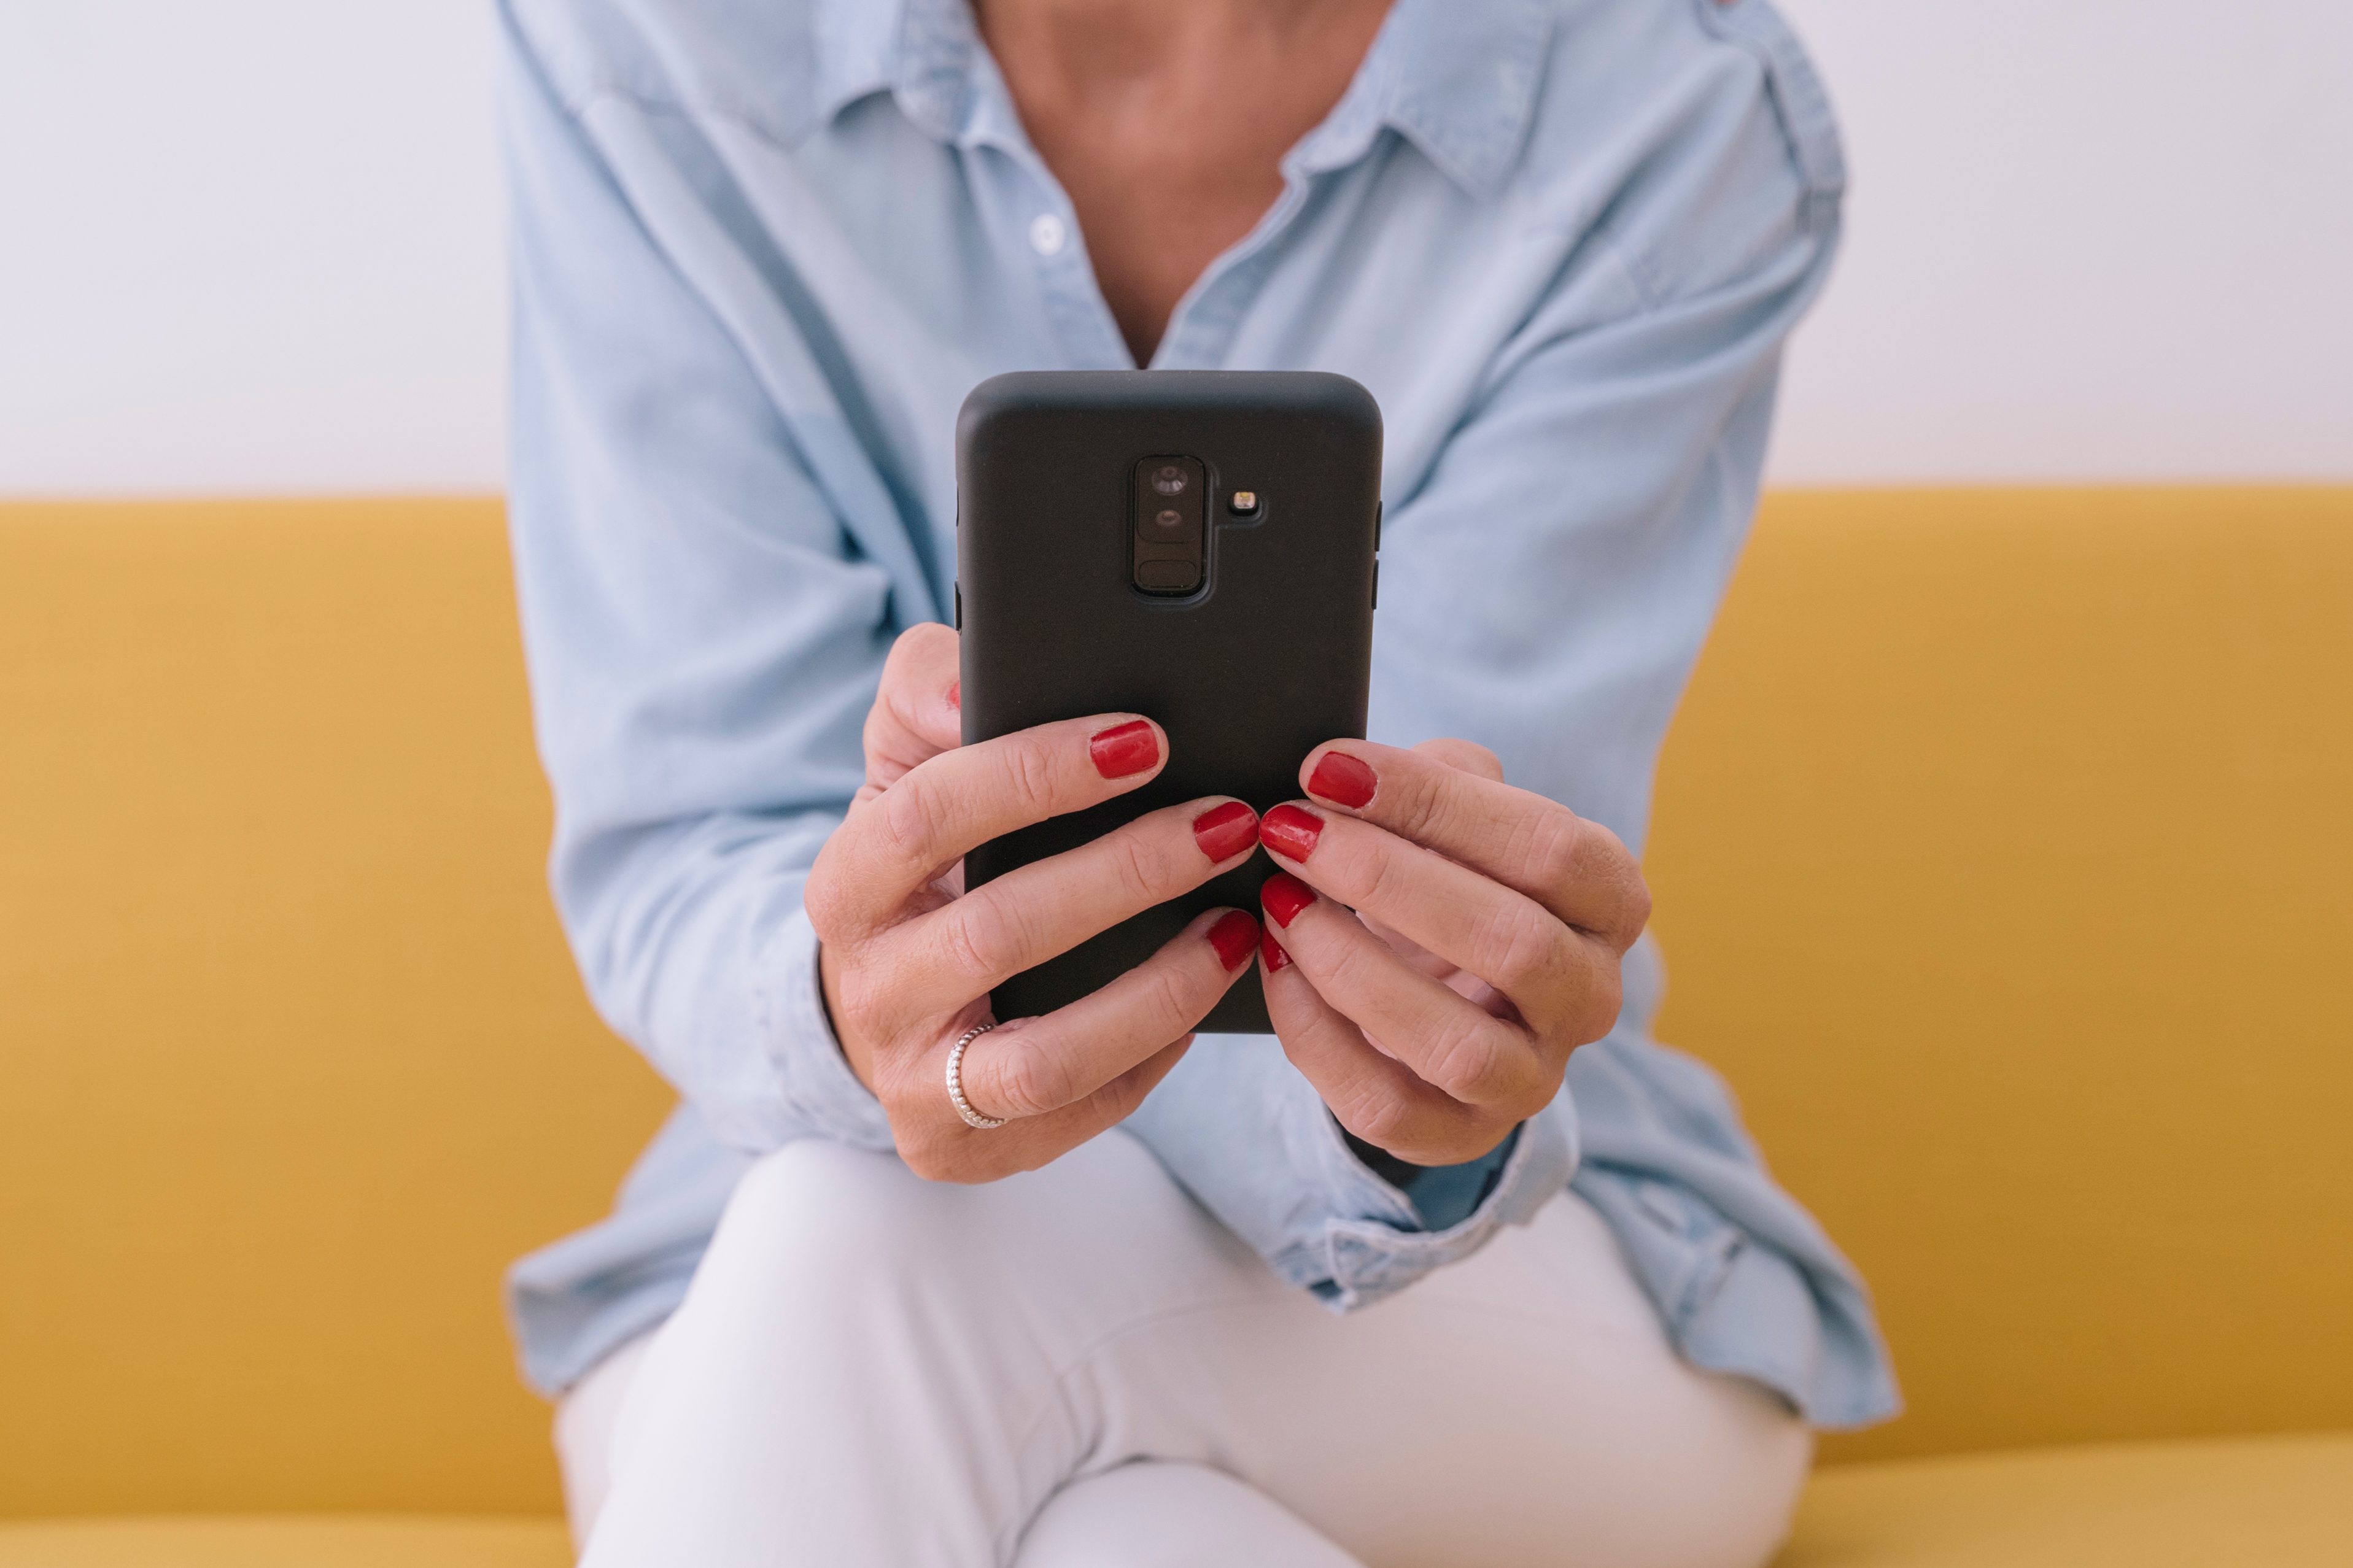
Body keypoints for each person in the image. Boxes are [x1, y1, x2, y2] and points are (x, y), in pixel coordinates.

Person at [495, 0, 1897, 1562]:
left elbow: (1441, 903)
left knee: (860, 1246)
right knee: (1126, 1529)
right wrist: (870, 1003)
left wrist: (1416, 1030)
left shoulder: (1662, 110)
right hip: (756, 1270)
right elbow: (694, 837)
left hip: (1504, 1284)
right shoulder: (651, 40)